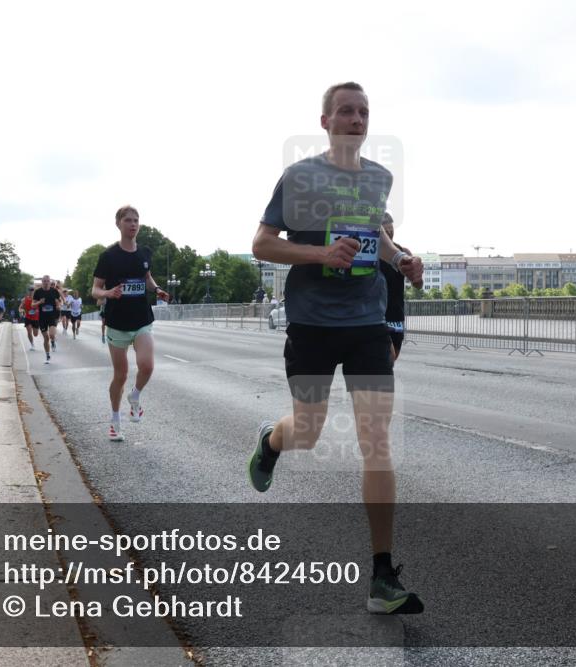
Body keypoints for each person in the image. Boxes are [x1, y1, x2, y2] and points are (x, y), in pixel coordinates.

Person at [249, 82, 425, 615]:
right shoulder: (299, 176)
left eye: (363, 112)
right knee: (308, 430)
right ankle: (271, 442)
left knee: (377, 440)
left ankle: (382, 576)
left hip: (367, 321)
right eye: (345, 111)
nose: (356, 119)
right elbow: (261, 243)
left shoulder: (379, 177)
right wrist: (321, 252)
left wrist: (402, 262)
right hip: (312, 322)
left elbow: (377, 235)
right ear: (324, 121)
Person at [92, 205, 171, 442]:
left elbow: (146, 279)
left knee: (147, 365)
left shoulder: (144, 253)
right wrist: (108, 293)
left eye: (136, 220)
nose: (133, 224)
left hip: (141, 320)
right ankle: (115, 421)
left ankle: (135, 397)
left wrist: (156, 289)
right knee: (121, 374)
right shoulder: (108, 256)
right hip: (117, 322)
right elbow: (95, 289)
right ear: (118, 224)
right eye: (128, 220)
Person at [380, 213, 410, 363]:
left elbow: (418, 284)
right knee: (383, 358)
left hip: (396, 314)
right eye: (386, 231)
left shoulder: (403, 252)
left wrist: (416, 273)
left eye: (391, 230)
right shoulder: (373, 253)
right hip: (377, 313)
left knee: (393, 357)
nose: (390, 233)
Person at [33, 275, 62, 363]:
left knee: (52, 335)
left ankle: (53, 341)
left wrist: (58, 306)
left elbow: (59, 302)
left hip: (52, 316)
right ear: (42, 282)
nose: (46, 283)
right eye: (44, 281)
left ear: (50, 282)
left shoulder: (54, 291)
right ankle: (47, 354)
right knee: (46, 338)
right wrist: (39, 302)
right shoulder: (38, 292)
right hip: (42, 318)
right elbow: (32, 305)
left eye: (47, 281)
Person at [20, 286, 40, 351]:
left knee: (35, 334)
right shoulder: (24, 299)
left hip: (36, 318)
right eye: (30, 290)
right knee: (29, 331)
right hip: (28, 317)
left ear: (34, 291)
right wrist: (21, 310)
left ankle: (33, 342)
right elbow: (20, 307)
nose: (31, 291)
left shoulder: (38, 299)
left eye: (32, 290)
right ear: (28, 291)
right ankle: (32, 344)